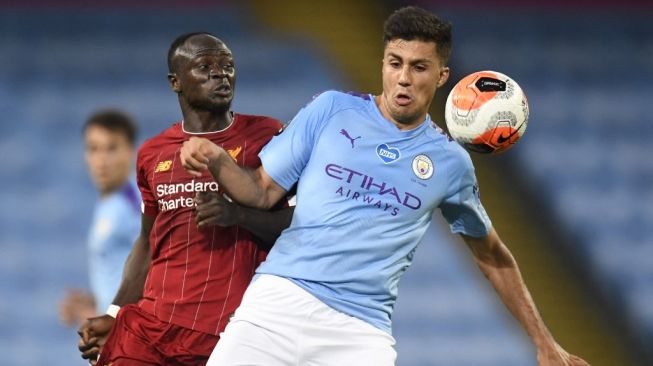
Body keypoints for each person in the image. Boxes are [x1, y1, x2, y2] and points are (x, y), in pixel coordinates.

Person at [180, 6, 591, 366]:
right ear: (382, 64)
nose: (404, 79)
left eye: (418, 67)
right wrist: (217, 158)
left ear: (442, 75)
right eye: (395, 63)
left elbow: (492, 255)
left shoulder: (450, 164)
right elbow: (261, 191)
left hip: (360, 330)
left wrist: (544, 342)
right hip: (277, 303)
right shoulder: (331, 109)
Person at [77, 32, 293, 366]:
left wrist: (239, 215)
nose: (221, 73)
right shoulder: (153, 153)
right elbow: (148, 243)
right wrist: (115, 312)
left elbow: (302, 224)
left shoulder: (267, 136)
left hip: (227, 336)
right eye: (205, 66)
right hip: (150, 328)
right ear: (175, 82)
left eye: (228, 65)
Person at [59, 110, 141, 328]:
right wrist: (93, 302)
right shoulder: (109, 203)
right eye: (93, 148)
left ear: (131, 151)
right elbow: (123, 273)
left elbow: (157, 270)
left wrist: (113, 317)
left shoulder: (137, 202)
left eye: (112, 148)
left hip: (129, 335)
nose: (101, 159)